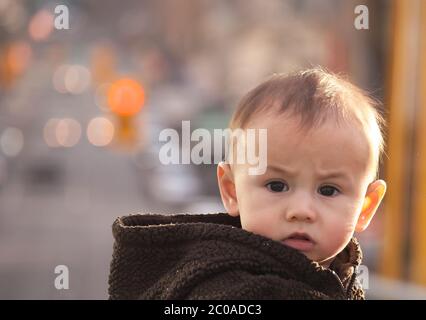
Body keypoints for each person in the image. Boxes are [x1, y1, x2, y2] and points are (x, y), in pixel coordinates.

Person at [108, 67, 387, 299]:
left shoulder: (338, 277)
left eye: (328, 190)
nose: (301, 210)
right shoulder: (228, 289)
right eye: (277, 186)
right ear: (232, 191)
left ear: (365, 207)